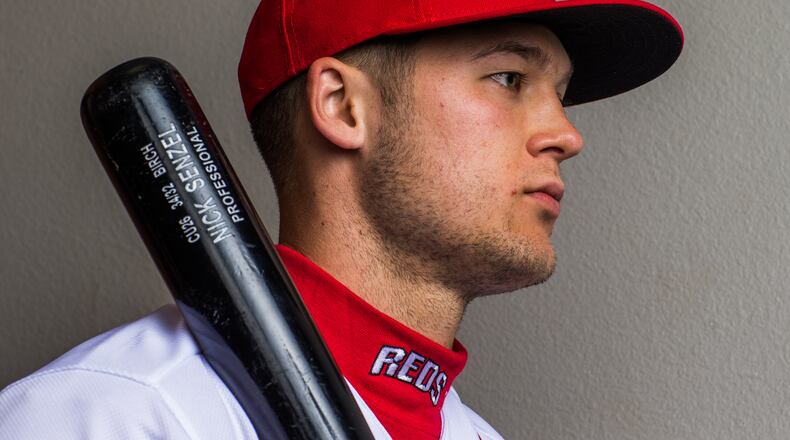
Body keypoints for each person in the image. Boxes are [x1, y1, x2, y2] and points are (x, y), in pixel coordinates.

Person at [0, 0, 683, 438]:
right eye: (510, 79)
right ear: (342, 107)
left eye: (560, 95)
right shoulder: (108, 415)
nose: (566, 134)